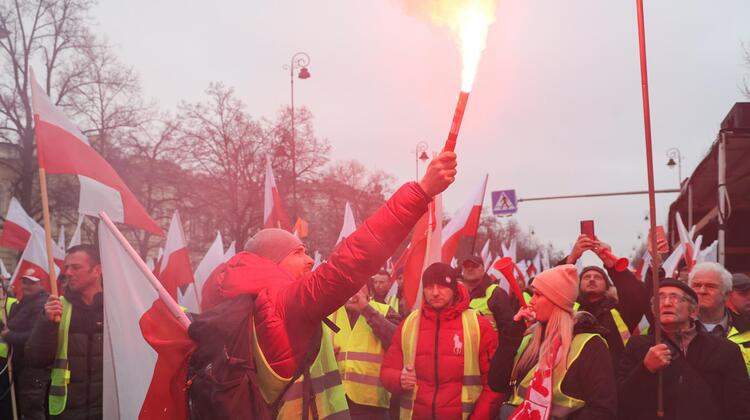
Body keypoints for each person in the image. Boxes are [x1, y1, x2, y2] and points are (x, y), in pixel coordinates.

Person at [189, 152, 457, 419]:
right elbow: (350, 262)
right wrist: (421, 192)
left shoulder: (234, 308)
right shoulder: (281, 307)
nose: (309, 261)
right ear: (273, 261)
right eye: (299, 252)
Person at [489, 264, 617, 419]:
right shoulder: (529, 339)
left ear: (556, 301)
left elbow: (603, 411)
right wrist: (512, 334)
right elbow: (497, 383)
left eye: (538, 295)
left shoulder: (591, 344)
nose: (531, 302)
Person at [380, 262, 502, 419]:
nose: (435, 293)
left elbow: (493, 385)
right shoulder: (410, 323)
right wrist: (399, 379)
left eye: (442, 286)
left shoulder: (478, 325)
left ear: (454, 289)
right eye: (429, 287)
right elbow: (387, 371)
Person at [617, 279, 750, 419]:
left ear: (693, 311)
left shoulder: (725, 350)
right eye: (659, 298)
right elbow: (622, 402)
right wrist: (645, 370)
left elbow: (740, 406)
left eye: (675, 298)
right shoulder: (637, 346)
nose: (667, 303)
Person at [26, 244, 103, 420]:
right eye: (67, 267)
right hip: (66, 411)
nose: (67, 272)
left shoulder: (113, 308)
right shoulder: (56, 306)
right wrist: (47, 324)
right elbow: (35, 359)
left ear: (97, 270)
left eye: (75, 267)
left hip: (108, 409)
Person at [563, 234, 649, 366]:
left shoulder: (619, 312)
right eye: (586, 277)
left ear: (607, 286)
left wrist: (613, 267)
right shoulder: (567, 311)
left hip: (614, 379)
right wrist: (570, 260)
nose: (592, 279)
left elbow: (636, 295)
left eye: (598, 277)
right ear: (578, 285)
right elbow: (551, 287)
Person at [330, 285, 401, 419]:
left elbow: (399, 342)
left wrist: (366, 309)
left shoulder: (384, 311)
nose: (352, 293)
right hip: (333, 402)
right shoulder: (329, 314)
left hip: (371, 406)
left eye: (358, 286)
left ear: (369, 291)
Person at [2, 269, 50, 420]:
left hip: (32, 368)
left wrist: (9, 335)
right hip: (20, 365)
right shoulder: (24, 302)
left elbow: (34, 335)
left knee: (32, 411)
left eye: (32, 283)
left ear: (42, 284)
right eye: (25, 282)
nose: (26, 286)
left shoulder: (42, 304)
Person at [688, 262, 750, 375]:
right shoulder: (670, 329)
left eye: (711, 286)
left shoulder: (747, 330)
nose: (702, 291)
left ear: (726, 295)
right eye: (696, 285)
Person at [460, 255, 515, 334]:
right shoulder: (457, 294)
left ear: (483, 269)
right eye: (466, 266)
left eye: (475, 266)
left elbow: (509, 330)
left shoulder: (497, 293)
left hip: (489, 345)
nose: (470, 268)